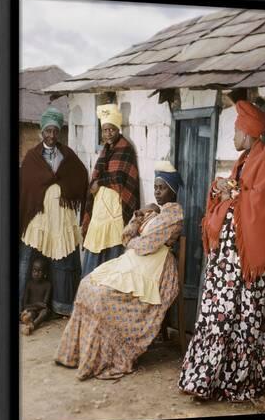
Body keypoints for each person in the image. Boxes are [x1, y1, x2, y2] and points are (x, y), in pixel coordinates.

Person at [179, 100, 265, 402]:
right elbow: (239, 193)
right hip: (228, 264)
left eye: (237, 129)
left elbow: (260, 204)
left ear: (249, 133)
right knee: (218, 317)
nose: (233, 136)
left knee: (239, 320)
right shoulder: (244, 161)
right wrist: (224, 188)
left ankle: (234, 383)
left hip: (244, 264)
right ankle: (205, 380)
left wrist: (233, 192)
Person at [55, 161, 183, 380]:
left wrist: (132, 240)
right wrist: (140, 214)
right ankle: (76, 355)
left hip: (155, 268)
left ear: (172, 190)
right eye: (155, 187)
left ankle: (105, 357)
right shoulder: (156, 212)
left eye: (162, 188)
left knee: (103, 297)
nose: (157, 192)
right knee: (88, 284)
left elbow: (145, 246)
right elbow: (127, 234)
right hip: (136, 262)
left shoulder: (173, 217)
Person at [19, 107, 88, 317]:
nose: (51, 136)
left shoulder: (66, 155)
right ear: (42, 131)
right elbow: (25, 186)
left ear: (59, 133)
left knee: (62, 258)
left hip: (60, 217)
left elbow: (81, 176)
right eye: (48, 131)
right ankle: (21, 304)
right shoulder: (32, 157)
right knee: (27, 258)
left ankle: (61, 306)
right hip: (38, 218)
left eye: (55, 131)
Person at [81, 104, 140, 277]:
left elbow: (122, 178)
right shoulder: (104, 151)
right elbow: (97, 177)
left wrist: (100, 182)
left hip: (115, 209)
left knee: (113, 250)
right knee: (95, 248)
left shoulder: (126, 149)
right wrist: (95, 185)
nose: (108, 133)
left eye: (111, 130)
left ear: (117, 129)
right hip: (100, 209)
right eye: (105, 130)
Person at [20, 257, 51, 335]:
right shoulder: (29, 284)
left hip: (40, 311)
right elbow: (25, 305)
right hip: (32, 309)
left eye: (39, 271)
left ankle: (33, 325)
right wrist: (37, 304)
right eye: (34, 270)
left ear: (45, 273)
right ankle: (30, 321)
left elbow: (45, 305)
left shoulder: (48, 285)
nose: (36, 273)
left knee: (45, 312)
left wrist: (39, 306)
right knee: (29, 314)